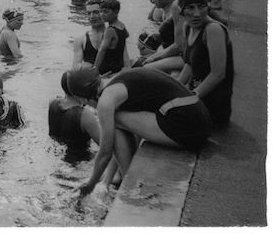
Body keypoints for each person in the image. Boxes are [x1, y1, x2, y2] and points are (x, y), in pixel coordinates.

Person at [68, 67, 211, 196]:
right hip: (199, 119)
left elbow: (105, 152)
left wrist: (90, 184)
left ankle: (128, 182)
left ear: (81, 98)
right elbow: (116, 140)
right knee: (117, 119)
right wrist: (106, 180)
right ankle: (123, 176)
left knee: (115, 119)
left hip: (190, 128)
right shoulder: (115, 83)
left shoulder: (106, 101)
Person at [175, 0, 234, 127]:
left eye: (201, 6)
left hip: (213, 106)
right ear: (181, 11)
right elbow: (189, 64)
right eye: (190, 8)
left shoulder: (213, 30)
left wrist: (189, 98)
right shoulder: (188, 27)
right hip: (197, 95)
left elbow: (218, 74)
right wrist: (174, 88)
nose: (196, 14)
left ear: (208, 7)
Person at [91, 0, 129, 74]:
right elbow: (126, 36)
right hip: (118, 66)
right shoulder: (122, 26)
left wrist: (95, 68)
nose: (102, 14)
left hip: (107, 68)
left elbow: (102, 50)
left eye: (106, 12)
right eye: (101, 11)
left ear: (116, 12)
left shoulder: (110, 30)